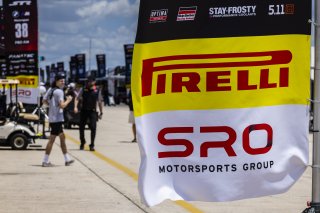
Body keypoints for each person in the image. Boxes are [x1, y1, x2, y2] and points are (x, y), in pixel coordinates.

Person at [42, 72, 74, 167]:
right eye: (61, 81)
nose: (63, 82)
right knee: (52, 140)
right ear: (56, 81)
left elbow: (44, 101)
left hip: (53, 118)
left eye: (64, 80)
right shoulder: (59, 92)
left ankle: (67, 159)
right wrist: (68, 100)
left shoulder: (51, 90)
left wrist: (51, 106)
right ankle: (45, 161)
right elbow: (62, 105)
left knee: (62, 137)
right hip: (57, 119)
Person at [74, 75, 103, 151]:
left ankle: (92, 144)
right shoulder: (83, 89)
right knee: (81, 128)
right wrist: (75, 107)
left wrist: (101, 112)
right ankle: (82, 142)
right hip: (84, 110)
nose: (90, 82)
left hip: (93, 111)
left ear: (94, 82)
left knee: (93, 128)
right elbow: (77, 98)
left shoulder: (97, 90)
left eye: (91, 81)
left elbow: (100, 102)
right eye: (89, 81)